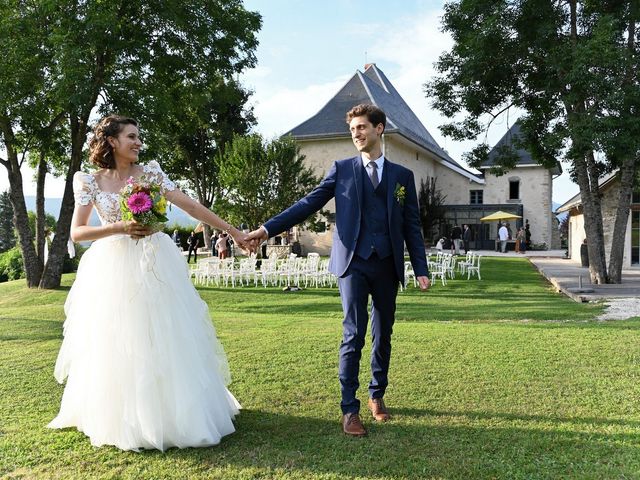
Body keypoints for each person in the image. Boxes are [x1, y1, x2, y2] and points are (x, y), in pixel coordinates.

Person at [47, 115, 251, 451]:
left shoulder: (151, 173)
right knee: (121, 340)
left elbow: (191, 206)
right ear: (112, 141)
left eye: (139, 136)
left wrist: (235, 232)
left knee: (167, 334)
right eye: (131, 136)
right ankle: (127, 418)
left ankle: (179, 414)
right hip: (113, 267)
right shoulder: (90, 181)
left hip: (156, 261)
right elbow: (77, 232)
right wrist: (120, 227)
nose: (138, 142)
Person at [246, 104, 430, 437]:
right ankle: (349, 409)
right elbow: (308, 203)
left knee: (383, 332)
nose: (356, 134)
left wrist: (420, 267)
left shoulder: (402, 178)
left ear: (379, 129)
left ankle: (377, 393)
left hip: (387, 265)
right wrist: (267, 229)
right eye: (352, 130)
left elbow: (411, 224)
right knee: (353, 334)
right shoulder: (342, 169)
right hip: (352, 264)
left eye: (362, 127)